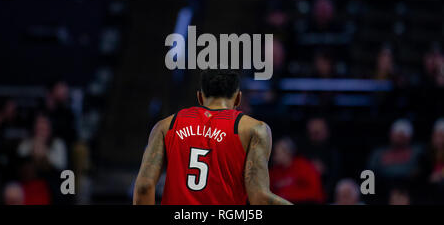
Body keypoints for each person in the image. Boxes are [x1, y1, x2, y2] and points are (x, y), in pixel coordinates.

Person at [133, 68, 292, 205]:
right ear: (238, 98)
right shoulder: (255, 129)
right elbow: (260, 198)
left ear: (200, 97)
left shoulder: (166, 125)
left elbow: (143, 187)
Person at [269, 137, 325, 204]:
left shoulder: (304, 167)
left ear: (286, 152)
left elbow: (315, 193)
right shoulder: (274, 171)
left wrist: (286, 195)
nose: (273, 156)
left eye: (276, 152)